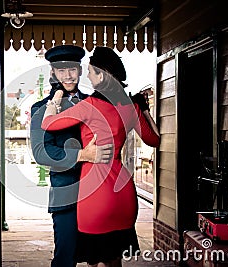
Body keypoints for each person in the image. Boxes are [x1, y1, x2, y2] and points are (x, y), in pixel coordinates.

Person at [41, 46, 160, 267]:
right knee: (114, 260)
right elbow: (155, 140)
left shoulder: (90, 106)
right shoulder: (131, 106)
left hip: (95, 194)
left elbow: (48, 123)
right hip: (124, 193)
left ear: (101, 75)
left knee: (95, 260)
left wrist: (55, 97)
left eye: (91, 72)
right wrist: (144, 109)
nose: (87, 75)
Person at [30, 45, 113, 267]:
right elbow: (41, 153)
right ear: (53, 74)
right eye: (61, 70)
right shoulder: (41, 108)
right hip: (67, 196)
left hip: (98, 194)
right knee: (66, 259)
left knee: (102, 258)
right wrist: (83, 155)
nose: (68, 76)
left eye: (72, 70)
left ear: (79, 70)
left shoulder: (94, 102)